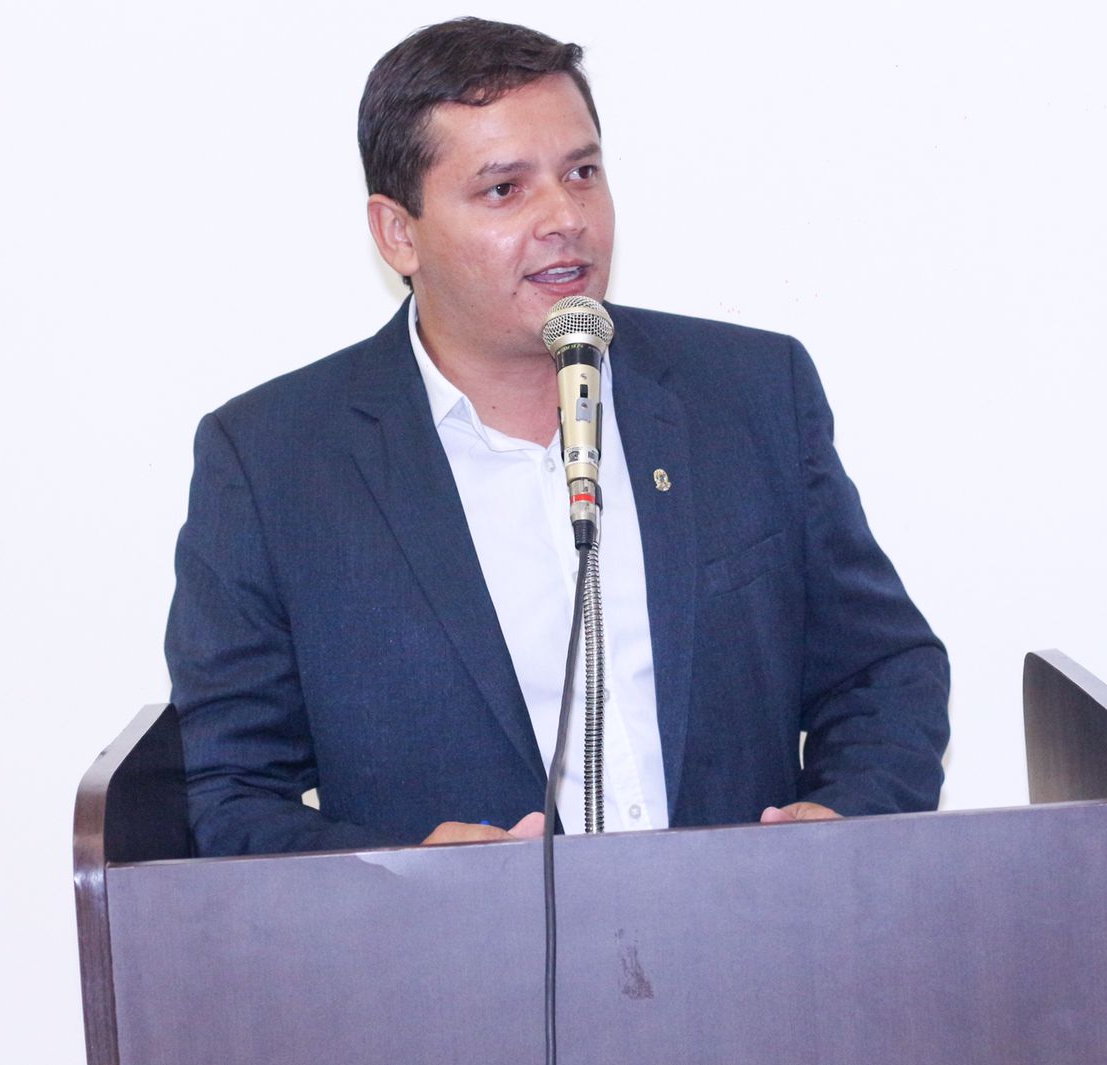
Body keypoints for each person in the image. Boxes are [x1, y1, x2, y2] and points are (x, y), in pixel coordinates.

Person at [165, 17, 949, 856]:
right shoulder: (274, 464)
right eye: (505, 190)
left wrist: (839, 828)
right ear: (399, 233)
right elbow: (232, 792)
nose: (566, 217)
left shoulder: (749, 393)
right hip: (462, 942)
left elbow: (882, 673)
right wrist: (406, 884)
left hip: (746, 922)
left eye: (582, 173)